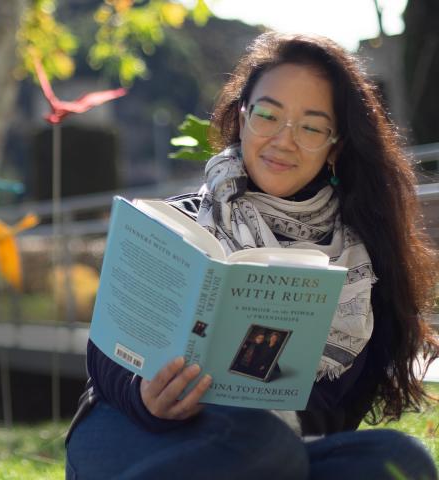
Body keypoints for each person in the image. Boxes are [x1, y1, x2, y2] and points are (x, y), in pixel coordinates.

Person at [65, 32, 439, 480]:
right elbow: (105, 353)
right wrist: (143, 396)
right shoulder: (176, 223)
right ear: (242, 120)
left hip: (265, 448)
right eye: (268, 115)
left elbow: (335, 413)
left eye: (312, 126)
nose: (284, 140)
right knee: (264, 446)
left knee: (398, 458)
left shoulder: (360, 268)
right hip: (131, 428)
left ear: (335, 145)